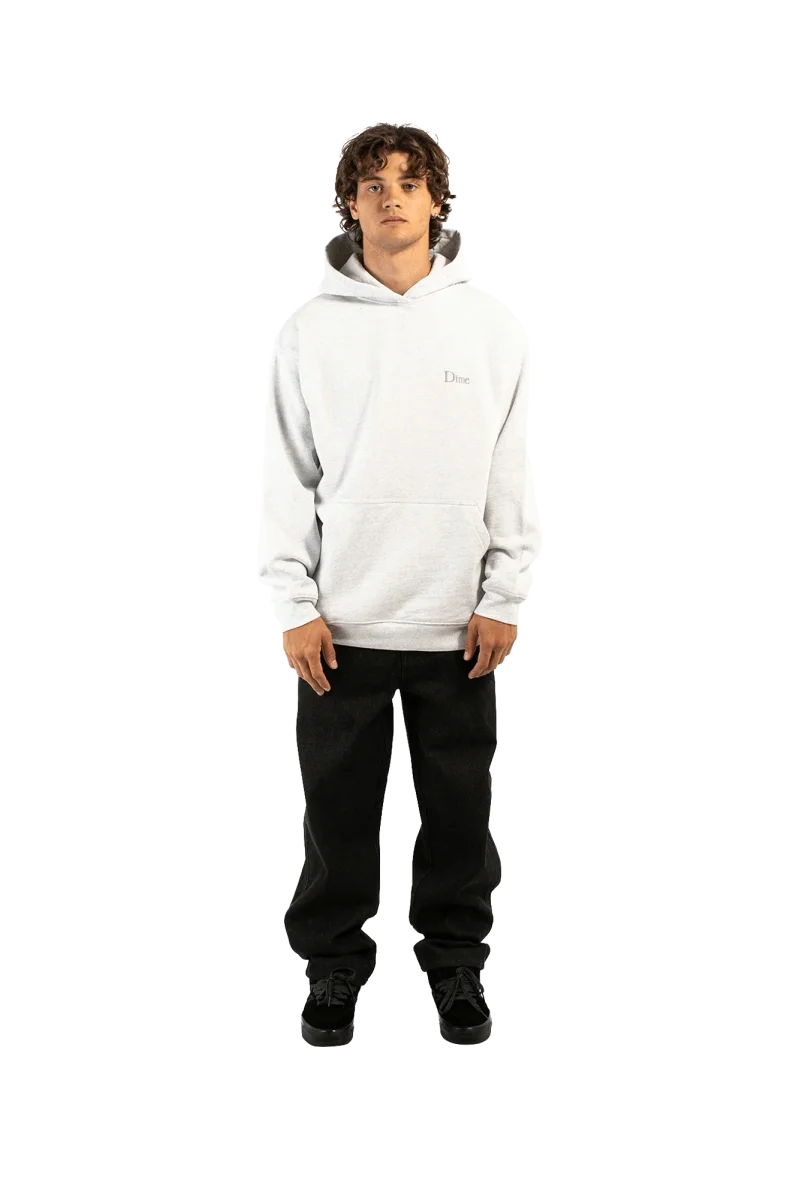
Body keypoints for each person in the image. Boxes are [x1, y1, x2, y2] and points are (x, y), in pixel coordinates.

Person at [261, 124, 535, 1046]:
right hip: (340, 625)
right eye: (371, 183)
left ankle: (456, 967)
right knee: (336, 816)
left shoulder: (487, 324)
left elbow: (509, 468)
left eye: (408, 182)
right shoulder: (310, 328)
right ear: (348, 201)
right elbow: (284, 474)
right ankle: (332, 969)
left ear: (436, 200)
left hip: (456, 623)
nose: (390, 197)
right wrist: (294, 605)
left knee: (459, 814)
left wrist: (503, 594)